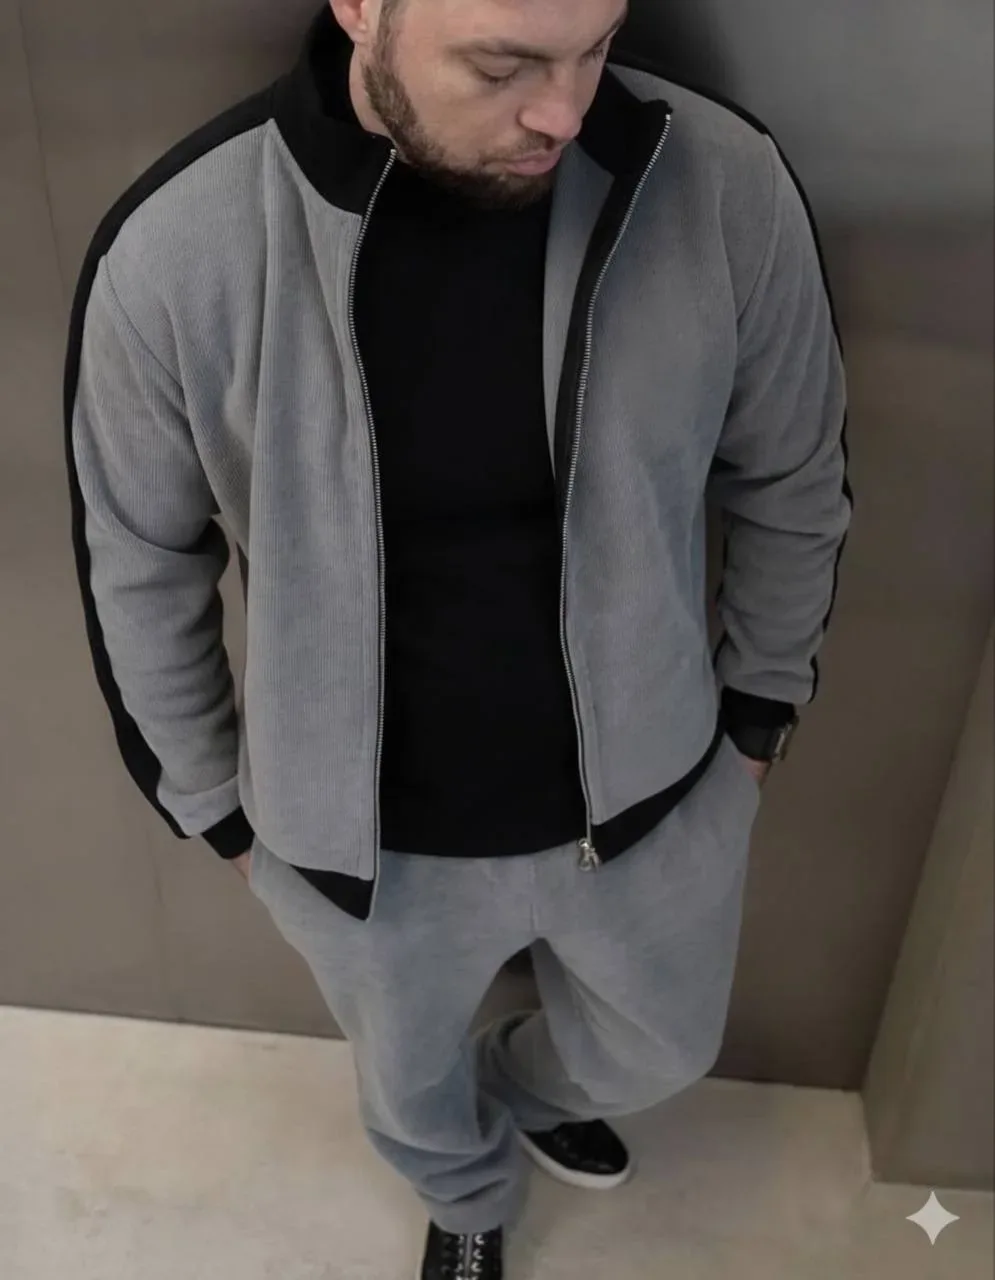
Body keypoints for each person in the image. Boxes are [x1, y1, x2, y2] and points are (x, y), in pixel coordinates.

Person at [64, 1, 851, 1275]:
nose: (564, 111)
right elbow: (140, 560)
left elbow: (790, 475)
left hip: (654, 797)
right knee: (410, 1090)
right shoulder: (178, 249)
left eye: (595, 47)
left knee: (660, 1047)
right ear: (360, 7)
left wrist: (757, 714)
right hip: (361, 847)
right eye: (504, 64)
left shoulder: (714, 181)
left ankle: (524, 1092)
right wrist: (217, 809)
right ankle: (467, 1193)